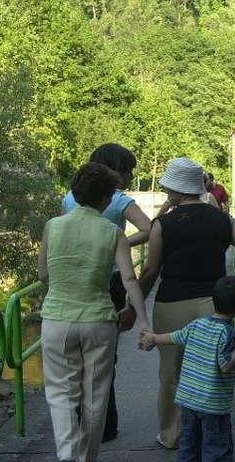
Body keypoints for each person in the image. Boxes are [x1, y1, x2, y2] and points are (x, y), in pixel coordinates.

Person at [39, 162, 151, 462]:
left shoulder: (52, 226)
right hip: (99, 321)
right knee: (94, 393)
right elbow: (129, 279)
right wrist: (142, 320)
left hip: (56, 320)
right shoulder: (111, 232)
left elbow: (43, 275)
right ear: (105, 199)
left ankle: (66, 457)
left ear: (75, 192)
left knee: (60, 392)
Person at [137, 157, 235, 449]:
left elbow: (151, 270)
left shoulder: (162, 225)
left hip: (171, 305)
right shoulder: (222, 219)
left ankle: (171, 435)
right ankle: (208, 434)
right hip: (213, 305)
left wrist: (136, 304)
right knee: (213, 370)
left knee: (170, 373)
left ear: (177, 191)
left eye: (169, 188)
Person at [62, 142, 152, 442]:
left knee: (76, 359)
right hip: (109, 280)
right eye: (127, 171)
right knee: (104, 357)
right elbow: (148, 229)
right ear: (115, 170)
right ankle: (105, 426)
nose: (128, 178)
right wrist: (119, 246)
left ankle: (76, 428)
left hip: (74, 280)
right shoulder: (118, 199)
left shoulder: (69, 199)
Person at [139, 276, 235, 462]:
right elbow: (225, 365)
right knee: (214, 446)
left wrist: (153, 338)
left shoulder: (198, 324)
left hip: (188, 400)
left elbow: (174, 337)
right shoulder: (227, 333)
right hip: (212, 405)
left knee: (189, 442)